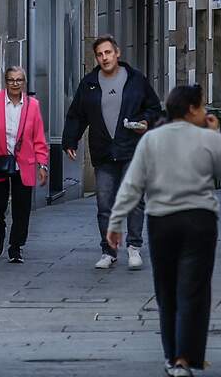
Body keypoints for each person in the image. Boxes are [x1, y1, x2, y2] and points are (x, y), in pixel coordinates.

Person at [107, 84, 221, 377]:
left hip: (162, 221)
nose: (205, 112)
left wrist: (115, 222)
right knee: (194, 290)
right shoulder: (207, 137)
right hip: (200, 220)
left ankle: (172, 356)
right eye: (202, 106)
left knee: (166, 291)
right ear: (191, 109)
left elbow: (132, 184)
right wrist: (215, 134)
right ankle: (184, 358)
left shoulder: (151, 139)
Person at [62, 34, 162, 270]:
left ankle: (134, 247)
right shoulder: (89, 84)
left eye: (108, 52)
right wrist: (70, 140)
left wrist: (145, 122)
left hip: (132, 148)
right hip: (103, 151)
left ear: (117, 53)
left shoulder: (135, 80)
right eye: (100, 54)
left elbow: (154, 108)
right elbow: (77, 114)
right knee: (105, 203)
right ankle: (108, 251)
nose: (104, 58)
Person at [0, 66, 48, 263]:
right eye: (11, 80)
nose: (15, 84)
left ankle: (16, 247)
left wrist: (42, 165)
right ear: (5, 82)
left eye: (19, 80)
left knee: (22, 208)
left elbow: (39, 139)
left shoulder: (33, 106)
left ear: (24, 83)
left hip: (24, 164)